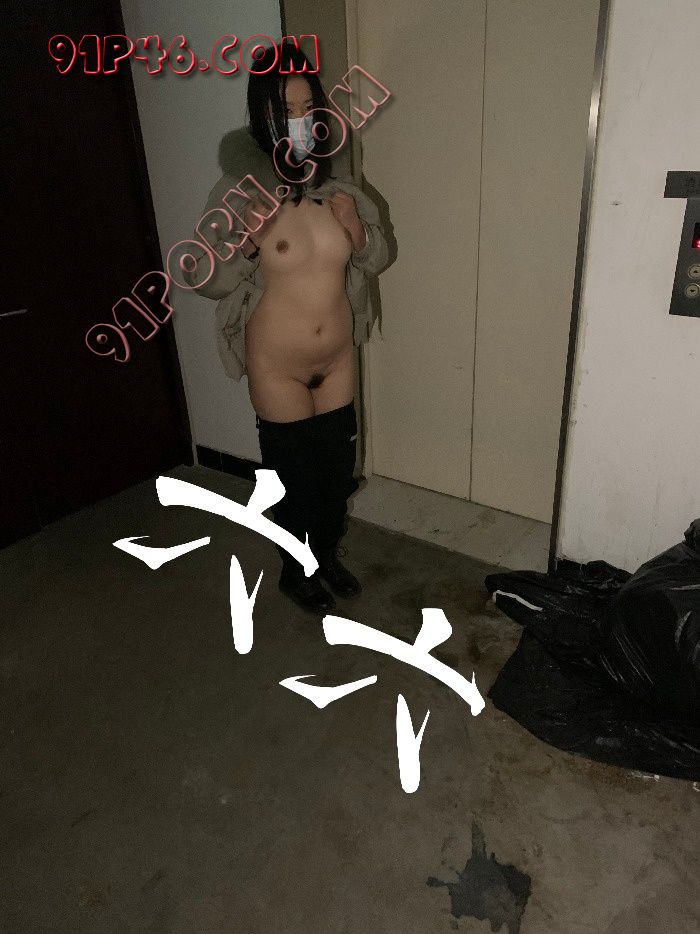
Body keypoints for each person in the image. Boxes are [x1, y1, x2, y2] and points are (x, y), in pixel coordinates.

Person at [185, 40, 391, 614]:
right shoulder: (240, 194)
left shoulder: (340, 188)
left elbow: (378, 256)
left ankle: (323, 554)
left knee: (337, 479)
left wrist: (358, 232)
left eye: (306, 108)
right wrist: (248, 242)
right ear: (263, 118)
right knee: (296, 483)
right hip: (277, 367)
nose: (299, 122)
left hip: (337, 359)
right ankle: (295, 571)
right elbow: (202, 276)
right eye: (285, 111)